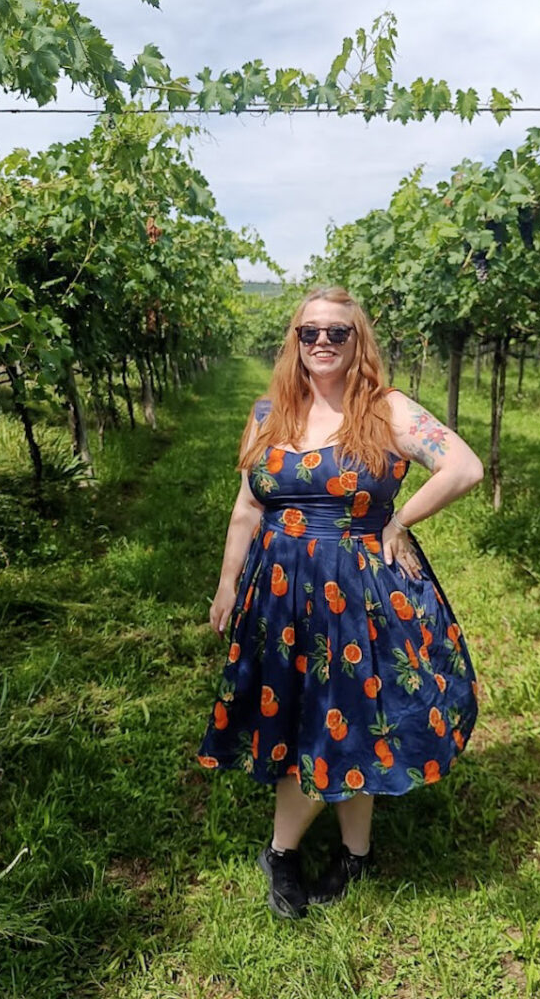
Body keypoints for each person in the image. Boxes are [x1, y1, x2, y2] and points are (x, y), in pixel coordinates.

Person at [197, 285, 483, 919]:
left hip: (356, 594)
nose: (322, 342)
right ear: (295, 344)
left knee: (346, 712)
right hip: (278, 589)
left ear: (359, 343)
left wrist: (399, 521)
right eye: (310, 333)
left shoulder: (388, 412)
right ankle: (348, 853)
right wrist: (226, 584)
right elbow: (248, 506)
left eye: (337, 333)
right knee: (308, 712)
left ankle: (288, 850)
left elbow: (464, 467)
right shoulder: (269, 410)